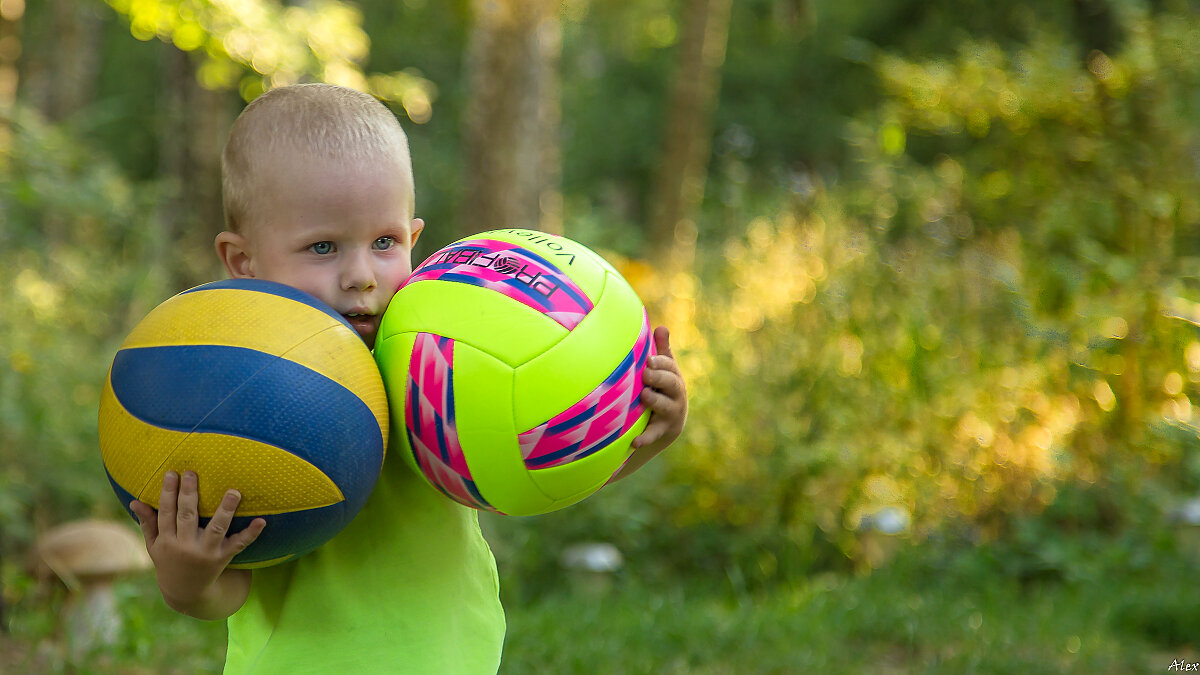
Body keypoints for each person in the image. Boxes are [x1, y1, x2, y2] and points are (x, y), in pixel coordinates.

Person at [128, 83, 688, 674]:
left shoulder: (436, 372)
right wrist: (188, 580)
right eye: (323, 247)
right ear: (243, 262)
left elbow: (520, 475)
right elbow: (231, 592)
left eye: (384, 242)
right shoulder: (246, 399)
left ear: (415, 240)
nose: (361, 276)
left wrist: (639, 440)